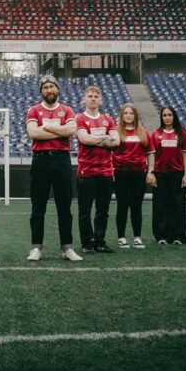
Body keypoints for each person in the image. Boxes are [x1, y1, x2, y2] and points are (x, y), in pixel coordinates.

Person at [25, 75, 82, 262]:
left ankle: (67, 247)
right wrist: (58, 129)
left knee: (64, 206)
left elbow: (71, 131)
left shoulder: (67, 110)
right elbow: (33, 133)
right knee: (38, 206)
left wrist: (47, 129)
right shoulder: (34, 110)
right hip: (41, 160)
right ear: (41, 91)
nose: (49, 90)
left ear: (57, 89)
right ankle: (36, 247)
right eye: (45, 87)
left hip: (62, 160)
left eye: (52, 87)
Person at [75, 86, 120, 254]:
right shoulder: (79, 119)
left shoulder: (108, 119)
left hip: (106, 172)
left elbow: (116, 142)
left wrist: (96, 139)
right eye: (90, 96)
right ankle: (87, 243)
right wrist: (104, 138)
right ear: (84, 99)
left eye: (96, 96)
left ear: (100, 100)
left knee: (103, 210)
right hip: (86, 172)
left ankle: (100, 241)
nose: (93, 98)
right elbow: (84, 139)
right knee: (85, 210)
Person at [112, 104, 153, 249]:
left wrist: (150, 171)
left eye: (131, 113)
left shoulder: (143, 132)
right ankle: (121, 237)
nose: (128, 115)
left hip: (138, 173)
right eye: (126, 113)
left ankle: (137, 237)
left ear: (135, 116)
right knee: (122, 206)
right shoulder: (116, 132)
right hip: (121, 172)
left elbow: (150, 153)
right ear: (122, 116)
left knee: (137, 206)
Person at [150, 105, 186, 245]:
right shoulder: (156, 134)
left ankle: (178, 236)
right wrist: (152, 174)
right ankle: (161, 236)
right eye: (165, 115)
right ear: (161, 117)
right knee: (160, 206)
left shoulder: (182, 133)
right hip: (160, 174)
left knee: (178, 205)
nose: (167, 117)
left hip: (177, 174)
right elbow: (152, 156)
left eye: (170, 115)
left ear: (174, 116)